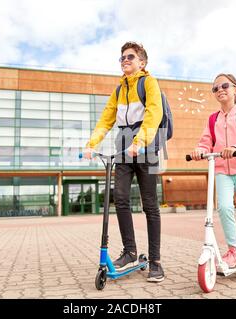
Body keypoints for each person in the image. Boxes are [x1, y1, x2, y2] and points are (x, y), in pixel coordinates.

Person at [83, 41, 165, 282]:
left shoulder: (148, 82)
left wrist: (140, 141)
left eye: (130, 57)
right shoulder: (118, 90)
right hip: (123, 141)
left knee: (149, 203)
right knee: (119, 198)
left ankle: (156, 261)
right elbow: (106, 120)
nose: (125, 60)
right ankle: (129, 252)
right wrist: (92, 144)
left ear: (142, 62)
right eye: (122, 58)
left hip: (146, 141)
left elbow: (154, 113)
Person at [189, 73, 236, 282]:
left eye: (224, 86)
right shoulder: (213, 119)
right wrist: (199, 150)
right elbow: (206, 142)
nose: (220, 90)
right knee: (223, 208)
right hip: (221, 169)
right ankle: (234, 251)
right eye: (215, 88)